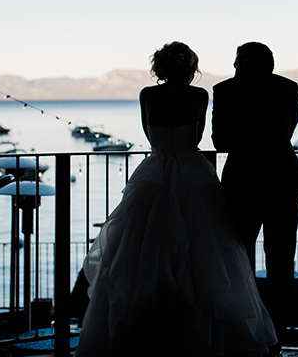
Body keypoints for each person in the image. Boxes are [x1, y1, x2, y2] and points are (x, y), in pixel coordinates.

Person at [76, 42, 277, 357]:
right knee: (205, 252)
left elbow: (148, 132)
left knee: (143, 249)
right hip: (192, 173)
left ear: (160, 67)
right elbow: (197, 138)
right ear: (189, 68)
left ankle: (144, 334)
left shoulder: (147, 95)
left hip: (154, 173)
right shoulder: (199, 95)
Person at [211, 42, 298, 353]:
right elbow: (287, 132)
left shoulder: (225, 90)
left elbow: (219, 141)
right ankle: (277, 336)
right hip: (283, 178)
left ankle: (246, 333)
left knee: (240, 262)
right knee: (282, 262)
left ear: (240, 63)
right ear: (270, 63)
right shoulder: (288, 87)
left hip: (242, 182)